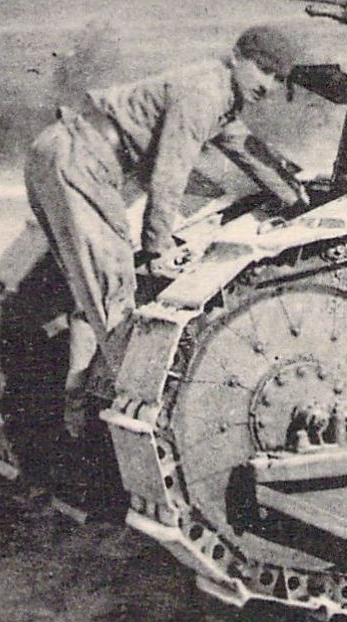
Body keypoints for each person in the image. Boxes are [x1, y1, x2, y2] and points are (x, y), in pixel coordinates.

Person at [25, 25, 310, 436]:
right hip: (82, 160)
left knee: (92, 294)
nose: (268, 85)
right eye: (263, 70)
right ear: (236, 57)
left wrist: (296, 197)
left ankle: (80, 416)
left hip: (61, 151)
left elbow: (247, 151)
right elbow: (170, 173)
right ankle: (123, 429)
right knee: (115, 292)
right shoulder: (206, 91)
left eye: (278, 78)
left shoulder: (217, 97)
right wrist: (157, 249)